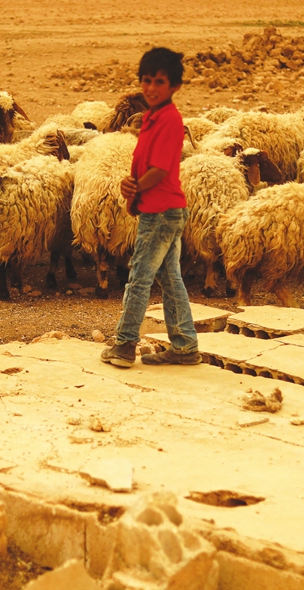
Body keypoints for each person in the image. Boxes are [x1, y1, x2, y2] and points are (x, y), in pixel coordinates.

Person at [101, 47, 200, 368]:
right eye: (146, 80)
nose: (151, 88)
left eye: (159, 82)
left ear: (174, 87)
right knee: (170, 280)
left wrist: (135, 187)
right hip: (157, 210)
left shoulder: (170, 120)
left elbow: (158, 170)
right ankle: (185, 346)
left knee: (139, 278)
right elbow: (142, 165)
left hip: (161, 213)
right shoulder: (151, 119)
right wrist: (133, 191)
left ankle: (125, 345)